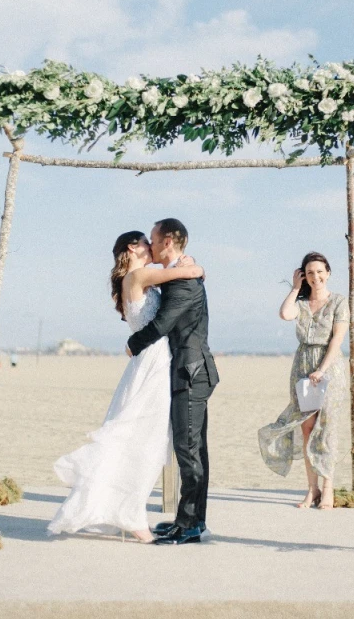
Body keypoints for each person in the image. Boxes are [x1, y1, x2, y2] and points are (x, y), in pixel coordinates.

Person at [48, 230, 204, 543]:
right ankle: (133, 519)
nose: (152, 246)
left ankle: (130, 515)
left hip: (150, 362)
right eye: (147, 242)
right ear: (134, 247)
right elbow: (190, 272)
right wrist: (192, 266)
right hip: (154, 363)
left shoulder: (133, 278)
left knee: (143, 440)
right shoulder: (139, 275)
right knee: (143, 441)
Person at [126, 218, 219, 545]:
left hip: (190, 372)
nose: (149, 246)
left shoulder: (183, 284)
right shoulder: (180, 275)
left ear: (167, 242)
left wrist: (132, 345)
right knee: (192, 449)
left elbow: (163, 323)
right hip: (188, 370)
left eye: (152, 239)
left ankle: (191, 525)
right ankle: (191, 520)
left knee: (188, 449)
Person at [258, 252, 349, 510]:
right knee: (306, 428)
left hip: (328, 366)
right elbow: (285, 314)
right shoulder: (301, 302)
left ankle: (328, 488)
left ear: (328, 272)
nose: (315, 277)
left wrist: (322, 369)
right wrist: (295, 288)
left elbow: (337, 339)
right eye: (310, 273)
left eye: (320, 272)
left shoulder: (339, 301)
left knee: (326, 428)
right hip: (302, 366)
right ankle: (312, 490)